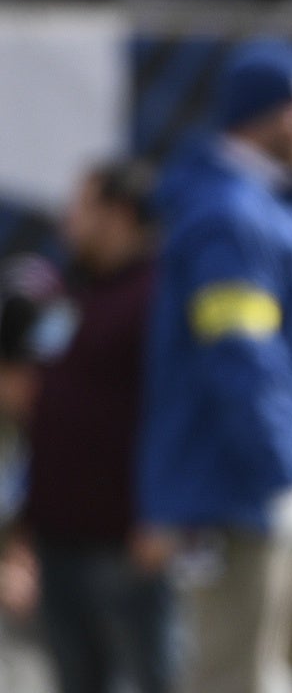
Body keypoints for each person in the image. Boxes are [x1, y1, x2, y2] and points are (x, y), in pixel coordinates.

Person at [137, 39, 292, 693]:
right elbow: (239, 354)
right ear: (263, 112)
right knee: (230, 675)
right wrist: (285, 471)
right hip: (237, 492)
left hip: (288, 483)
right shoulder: (230, 216)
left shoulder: (272, 207)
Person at [11, 160, 174, 693]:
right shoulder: (72, 295)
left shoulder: (160, 298)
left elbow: (180, 415)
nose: (68, 224)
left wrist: (165, 517)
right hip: (59, 539)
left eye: (81, 209)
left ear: (119, 215)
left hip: (129, 545)